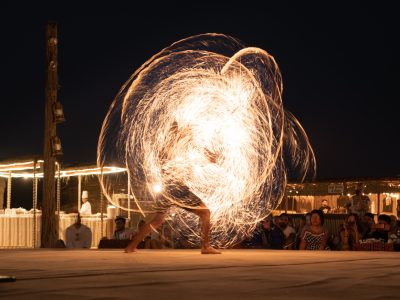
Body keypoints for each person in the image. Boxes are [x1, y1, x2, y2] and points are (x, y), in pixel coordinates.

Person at [125, 121, 221, 254]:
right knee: (205, 213)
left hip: (166, 190)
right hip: (178, 189)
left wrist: (207, 157)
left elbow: (191, 161)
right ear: (177, 133)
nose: (189, 133)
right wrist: (209, 157)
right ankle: (205, 246)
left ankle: (131, 247)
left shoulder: (166, 148)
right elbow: (194, 159)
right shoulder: (177, 148)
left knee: (157, 220)